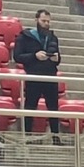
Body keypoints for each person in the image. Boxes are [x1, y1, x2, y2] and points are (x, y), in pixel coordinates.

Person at [13, 8, 63, 143]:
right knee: (30, 107)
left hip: (50, 77)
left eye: (48, 21)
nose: (46, 24)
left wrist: (56, 58)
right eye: (43, 21)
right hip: (33, 77)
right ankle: (27, 137)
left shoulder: (53, 37)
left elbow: (59, 58)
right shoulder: (24, 36)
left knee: (53, 108)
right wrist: (34, 56)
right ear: (36, 20)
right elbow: (17, 56)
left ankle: (56, 138)